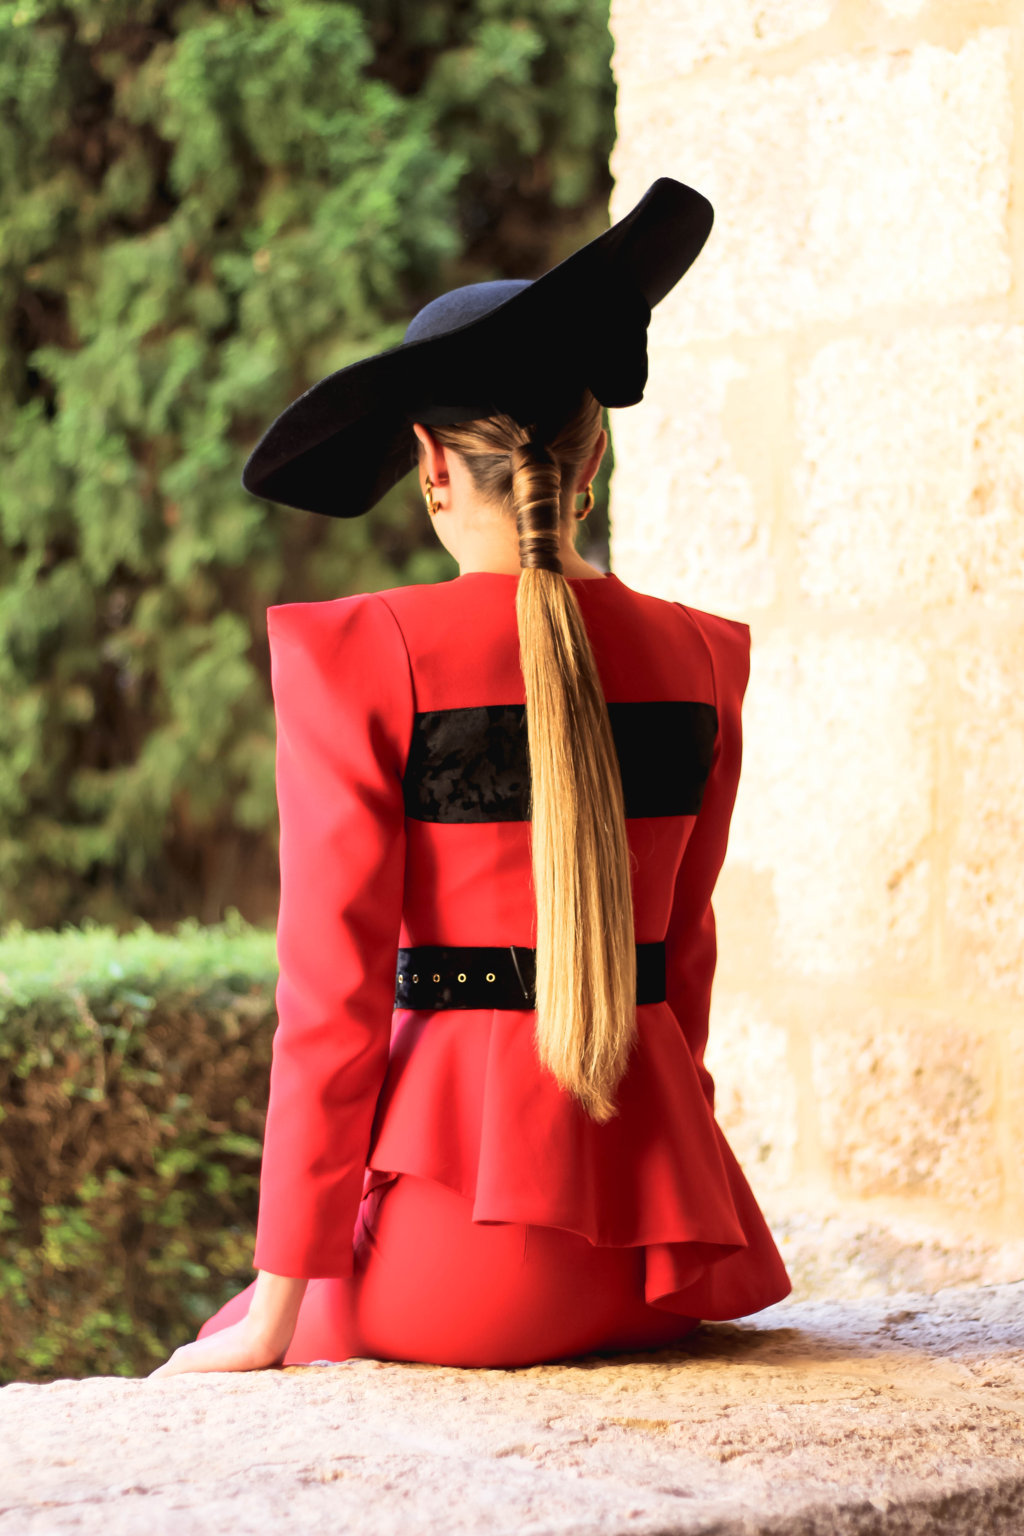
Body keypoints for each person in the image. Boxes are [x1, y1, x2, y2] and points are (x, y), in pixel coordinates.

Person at [148, 178, 792, 1378]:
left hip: (458, 1280)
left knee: (217, 1342)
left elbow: (332, 1001)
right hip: (661, 1265)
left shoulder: (363, 654)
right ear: (594, 458)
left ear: (430, 466)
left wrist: (273, 1317)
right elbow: (681, 969)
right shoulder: (705, 658)